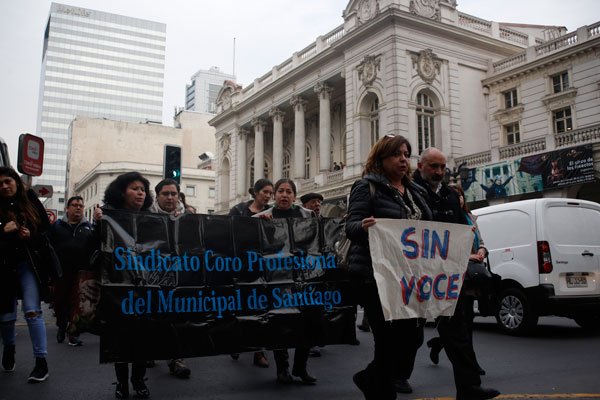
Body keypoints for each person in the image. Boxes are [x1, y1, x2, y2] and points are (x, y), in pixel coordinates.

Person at [345, 134, 431, 400]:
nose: (403, 159)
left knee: (412, 337)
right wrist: (365, 227)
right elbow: (351, 227)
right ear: (381, 159)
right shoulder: (366, 187)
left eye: (406, 153)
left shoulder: (416, 190)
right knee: (387, 339)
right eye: (396, 154)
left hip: (410, 276)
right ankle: (381, 391)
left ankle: (369, 377)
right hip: (377, 277)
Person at [413, 147, 500, 400]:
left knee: (459, 334)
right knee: (407, 339)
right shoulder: (410, 193)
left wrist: (475, 250)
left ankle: (470, 388)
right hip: (417, 277)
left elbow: (462, 231)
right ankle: (384, 377)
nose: (439, 172)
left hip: (448, 278)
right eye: (433, 167)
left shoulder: (451, 195)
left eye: (442, 167)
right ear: (420, 166)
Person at [93, 172, 153, 399]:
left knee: (142, 337)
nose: (140, 193)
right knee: (120, 336)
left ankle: (138, 380)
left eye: (143, 189)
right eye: (135, 188)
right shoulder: (108, 217)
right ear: (122, 192)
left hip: (146, 287)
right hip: (117, 286)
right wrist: (99, 224)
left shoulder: (151, 218)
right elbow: (94, 248)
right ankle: (121, 383)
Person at [254, 178, 317, 385]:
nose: (284, 195)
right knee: (280, 322)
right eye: (280, 191)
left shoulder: (308, 215)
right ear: (274, 195)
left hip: (304, 278)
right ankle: (283, 368)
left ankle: (301, 368)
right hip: (277, 279)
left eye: (288, 191)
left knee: (307, 322)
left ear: (294, 196)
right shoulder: (262, 217)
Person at [425, 184, 487, 375]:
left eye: (460, 195)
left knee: (466, 319)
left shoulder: (470, 218)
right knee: (460, 321)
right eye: (455, 195)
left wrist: (483, 249)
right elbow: (444, 248)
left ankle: (438, 344)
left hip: (470, 274)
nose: (458, 198)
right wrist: (468, 256)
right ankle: (471, 363)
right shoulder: (447, 218)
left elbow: (480, 241)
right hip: (453, 274)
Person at [0, 167, 51, 382]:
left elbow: (46, 229)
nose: (4, 186)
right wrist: (3, 229)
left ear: (16, 182)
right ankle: (9, 348)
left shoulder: (30, 198)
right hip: (3, 268)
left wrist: (31, 234)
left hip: (28, 264)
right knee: (6, 316)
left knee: (32, 311)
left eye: (7, 181)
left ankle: (41, 363)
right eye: (0, 183)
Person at [148, 178, 192, 379]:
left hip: (179, 277)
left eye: (174, 194)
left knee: (176, 318)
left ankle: (176, 359)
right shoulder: (145, 217)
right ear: (157, 196)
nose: (170, 197)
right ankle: (150, 352)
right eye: (165, 194)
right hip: (152, 277)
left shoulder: (188, 217)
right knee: (153, 317)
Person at [228, 178, 274, 369]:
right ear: (255, 192)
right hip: (240, 266)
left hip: (261, 267)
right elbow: (229, 233)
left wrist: (269, 225)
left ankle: (258, 351)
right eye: (265, 192)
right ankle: (237, 343)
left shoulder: (271, 212)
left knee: (260, 309)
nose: (268, 196)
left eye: (270, 193)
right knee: (241, 307)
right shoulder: (238, 210)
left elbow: (275, 239)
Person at [48, 195, 95, 347]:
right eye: (74, 205)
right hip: (61, 272)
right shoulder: (56, 227)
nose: (78, 207)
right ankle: (62, 327)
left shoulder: (89, 228)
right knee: (60, 302)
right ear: (67, 209)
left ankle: (73, 333)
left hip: (81, 274)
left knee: (77, 304)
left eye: (81, 205)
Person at [300, 192, 324, 357]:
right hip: (303, 270)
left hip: (320, 269)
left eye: (319, 203)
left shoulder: (324, 222)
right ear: (305, 205)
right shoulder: (299, 222)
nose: (317, 205)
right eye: (313, 202)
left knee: (318, 306)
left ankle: (316, 338)